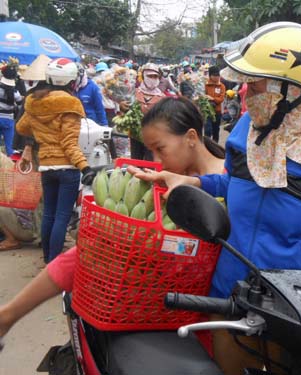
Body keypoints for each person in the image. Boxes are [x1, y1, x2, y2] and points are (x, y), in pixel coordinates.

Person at [130, 22, 301, 374]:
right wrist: (192, 182)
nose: (247, 95)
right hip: (228, 295)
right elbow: (235, 183)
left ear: (291, 90)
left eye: (258, 85)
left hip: (290, 308)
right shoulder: (246, 129)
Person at [0, 96, 225, 349]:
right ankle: (7, 316)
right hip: (144, 288)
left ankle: (7, 316)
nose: (156, 159)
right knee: (83, 252)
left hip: (193, 300)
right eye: (151, 150)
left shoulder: (226, 181)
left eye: (160, 148)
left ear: (191, 138)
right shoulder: (167, 176)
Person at [15, 58, 94, 264]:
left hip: (46, 166)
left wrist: (40, 129)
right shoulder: (70, 103)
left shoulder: (33, 100)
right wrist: (85, 167)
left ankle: (47, 259)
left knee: (49, 213)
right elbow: (69, 144)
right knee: (61, 216)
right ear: (71, 81)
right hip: (67, 168)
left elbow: (21, 128)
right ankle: (54, 264)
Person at [124, 63, 165, 160]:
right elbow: (126, 112)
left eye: (155, 76)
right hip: (135, 136)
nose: (153, 79)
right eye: (150, 76)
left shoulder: (162, 97)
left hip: (152, 137)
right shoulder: (133, 92)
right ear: (143, 77)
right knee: (135, 161)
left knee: (149, 164)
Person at [0, 64, 23, 156]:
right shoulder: (15, 93)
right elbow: (20, 104)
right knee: (10, 147)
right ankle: (11, 165)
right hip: (8, 120)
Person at [204, 65, 226, 143]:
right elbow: (202, 96)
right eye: (215, 75)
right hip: (207, 111)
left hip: (217, 111)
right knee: (208, 130)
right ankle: (207, 146)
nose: (217, 77)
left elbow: (221, 99)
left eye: (218, 75)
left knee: (216, 130)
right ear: (210, 75)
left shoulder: (222, 86)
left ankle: (215, 146)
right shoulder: (205, 85)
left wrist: (212, 98)